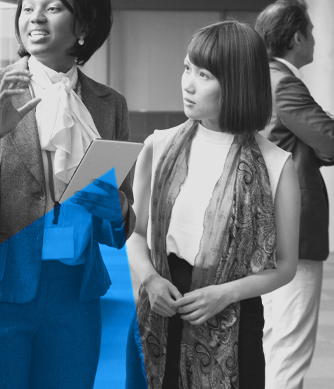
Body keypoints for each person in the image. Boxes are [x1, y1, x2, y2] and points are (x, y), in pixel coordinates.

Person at [0, 0, 136, 389]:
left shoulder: (110, 105)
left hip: (75, 291)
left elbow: (119, 219)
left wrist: (119, 209)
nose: (33, 18)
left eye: (51, 8)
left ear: (83, 25)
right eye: (27, 8)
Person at [125, 20, 300, 389]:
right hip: (159, 311)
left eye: (204, 75)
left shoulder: (276, 164)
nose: (188, 84)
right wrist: (151, 279)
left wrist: (225, 293)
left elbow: (285, 266)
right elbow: (136, 234)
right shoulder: (158, 146)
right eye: (187, 68)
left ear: (237, 83)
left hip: (234, 323)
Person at [255, 0, 334, 389]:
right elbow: (330, 140)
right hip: (294, 231)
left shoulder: (254, 80)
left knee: (275, 340)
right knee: (290, 346)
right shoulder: (284, 84)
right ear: (297, 36)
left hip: (264, 227)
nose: (315, 40)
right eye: (312, 32)